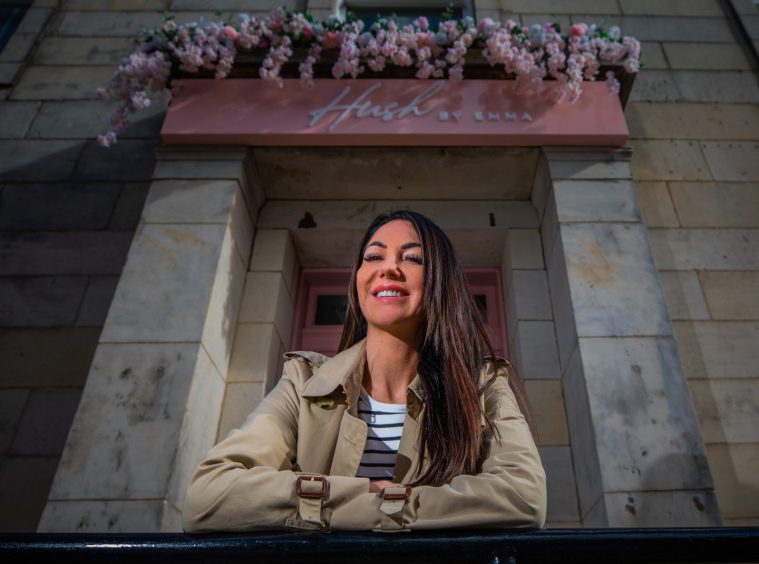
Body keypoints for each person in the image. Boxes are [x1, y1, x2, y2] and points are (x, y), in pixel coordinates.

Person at [183, 210, 546, 532]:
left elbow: (522, 496)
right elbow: (210, 494)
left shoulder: (481, 384)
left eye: (413, 258)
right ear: (358, 280)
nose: (388, 267)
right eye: (373, 256)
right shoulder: (303, 383)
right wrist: (367, 497)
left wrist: (383, 505)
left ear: (440, 283)